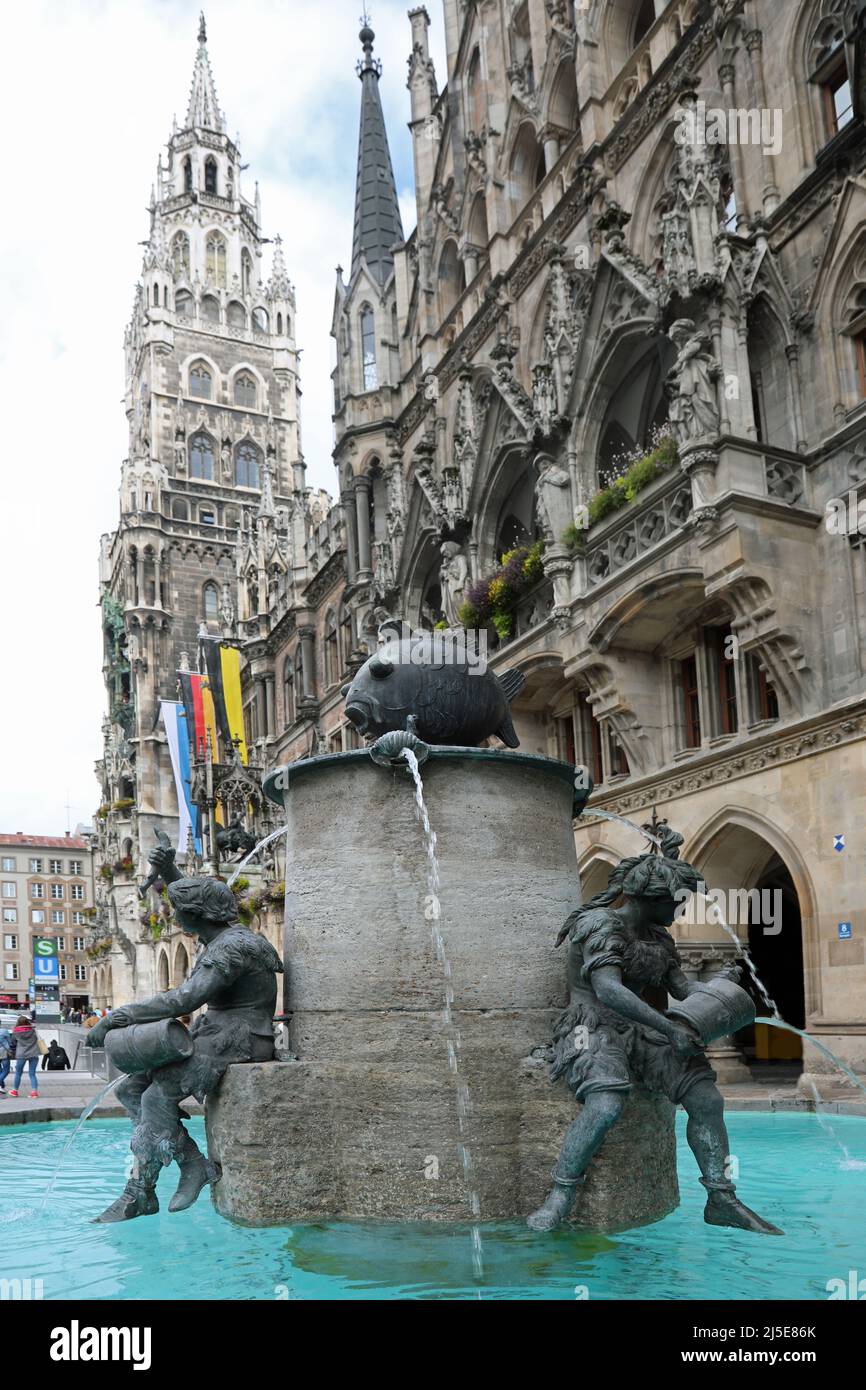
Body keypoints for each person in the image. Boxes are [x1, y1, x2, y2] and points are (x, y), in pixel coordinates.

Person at [527, 824, 782, 1236]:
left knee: (706, 1097)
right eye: (676, 902)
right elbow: (607, 990)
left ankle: (721, 1197)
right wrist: (668, 1028)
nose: (681, 909)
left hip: (641, 1028)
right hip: (590, 1026)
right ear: (651, 899)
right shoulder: (600, 925)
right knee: (606, 1103)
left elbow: (681, 988)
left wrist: (721, 987)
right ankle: (561, 1194)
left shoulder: (658, 937)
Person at [88, 841, 283, 1223]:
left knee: (155, 1099)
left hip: (241, 1039)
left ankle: (150, 1187)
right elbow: (198, 902)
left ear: (197, 914)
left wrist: (119, 1016)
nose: (175, 918)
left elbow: (186, 999)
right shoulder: (223, 937)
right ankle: (179, 1170)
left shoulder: (233, 949)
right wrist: (171, 873)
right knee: (131, 1088)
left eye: (180, 912)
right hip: (215, 1034)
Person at [8, 1015, 40, 1098]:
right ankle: (34, 1092)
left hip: (21, 1054)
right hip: (33, 1053)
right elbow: (37, 1040)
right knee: (32, 1074)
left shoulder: (16, 1031)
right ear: (27, 1022)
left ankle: (15, 1091)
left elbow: (13, 1044)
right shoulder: (33, 1030)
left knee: (18, 1073)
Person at [0, 1024, 12, 1094]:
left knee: (0, 1071)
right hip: (4, 1053)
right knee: (6, 1070)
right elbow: (10, 1042)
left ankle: (1, 1086)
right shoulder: (4, 1031)